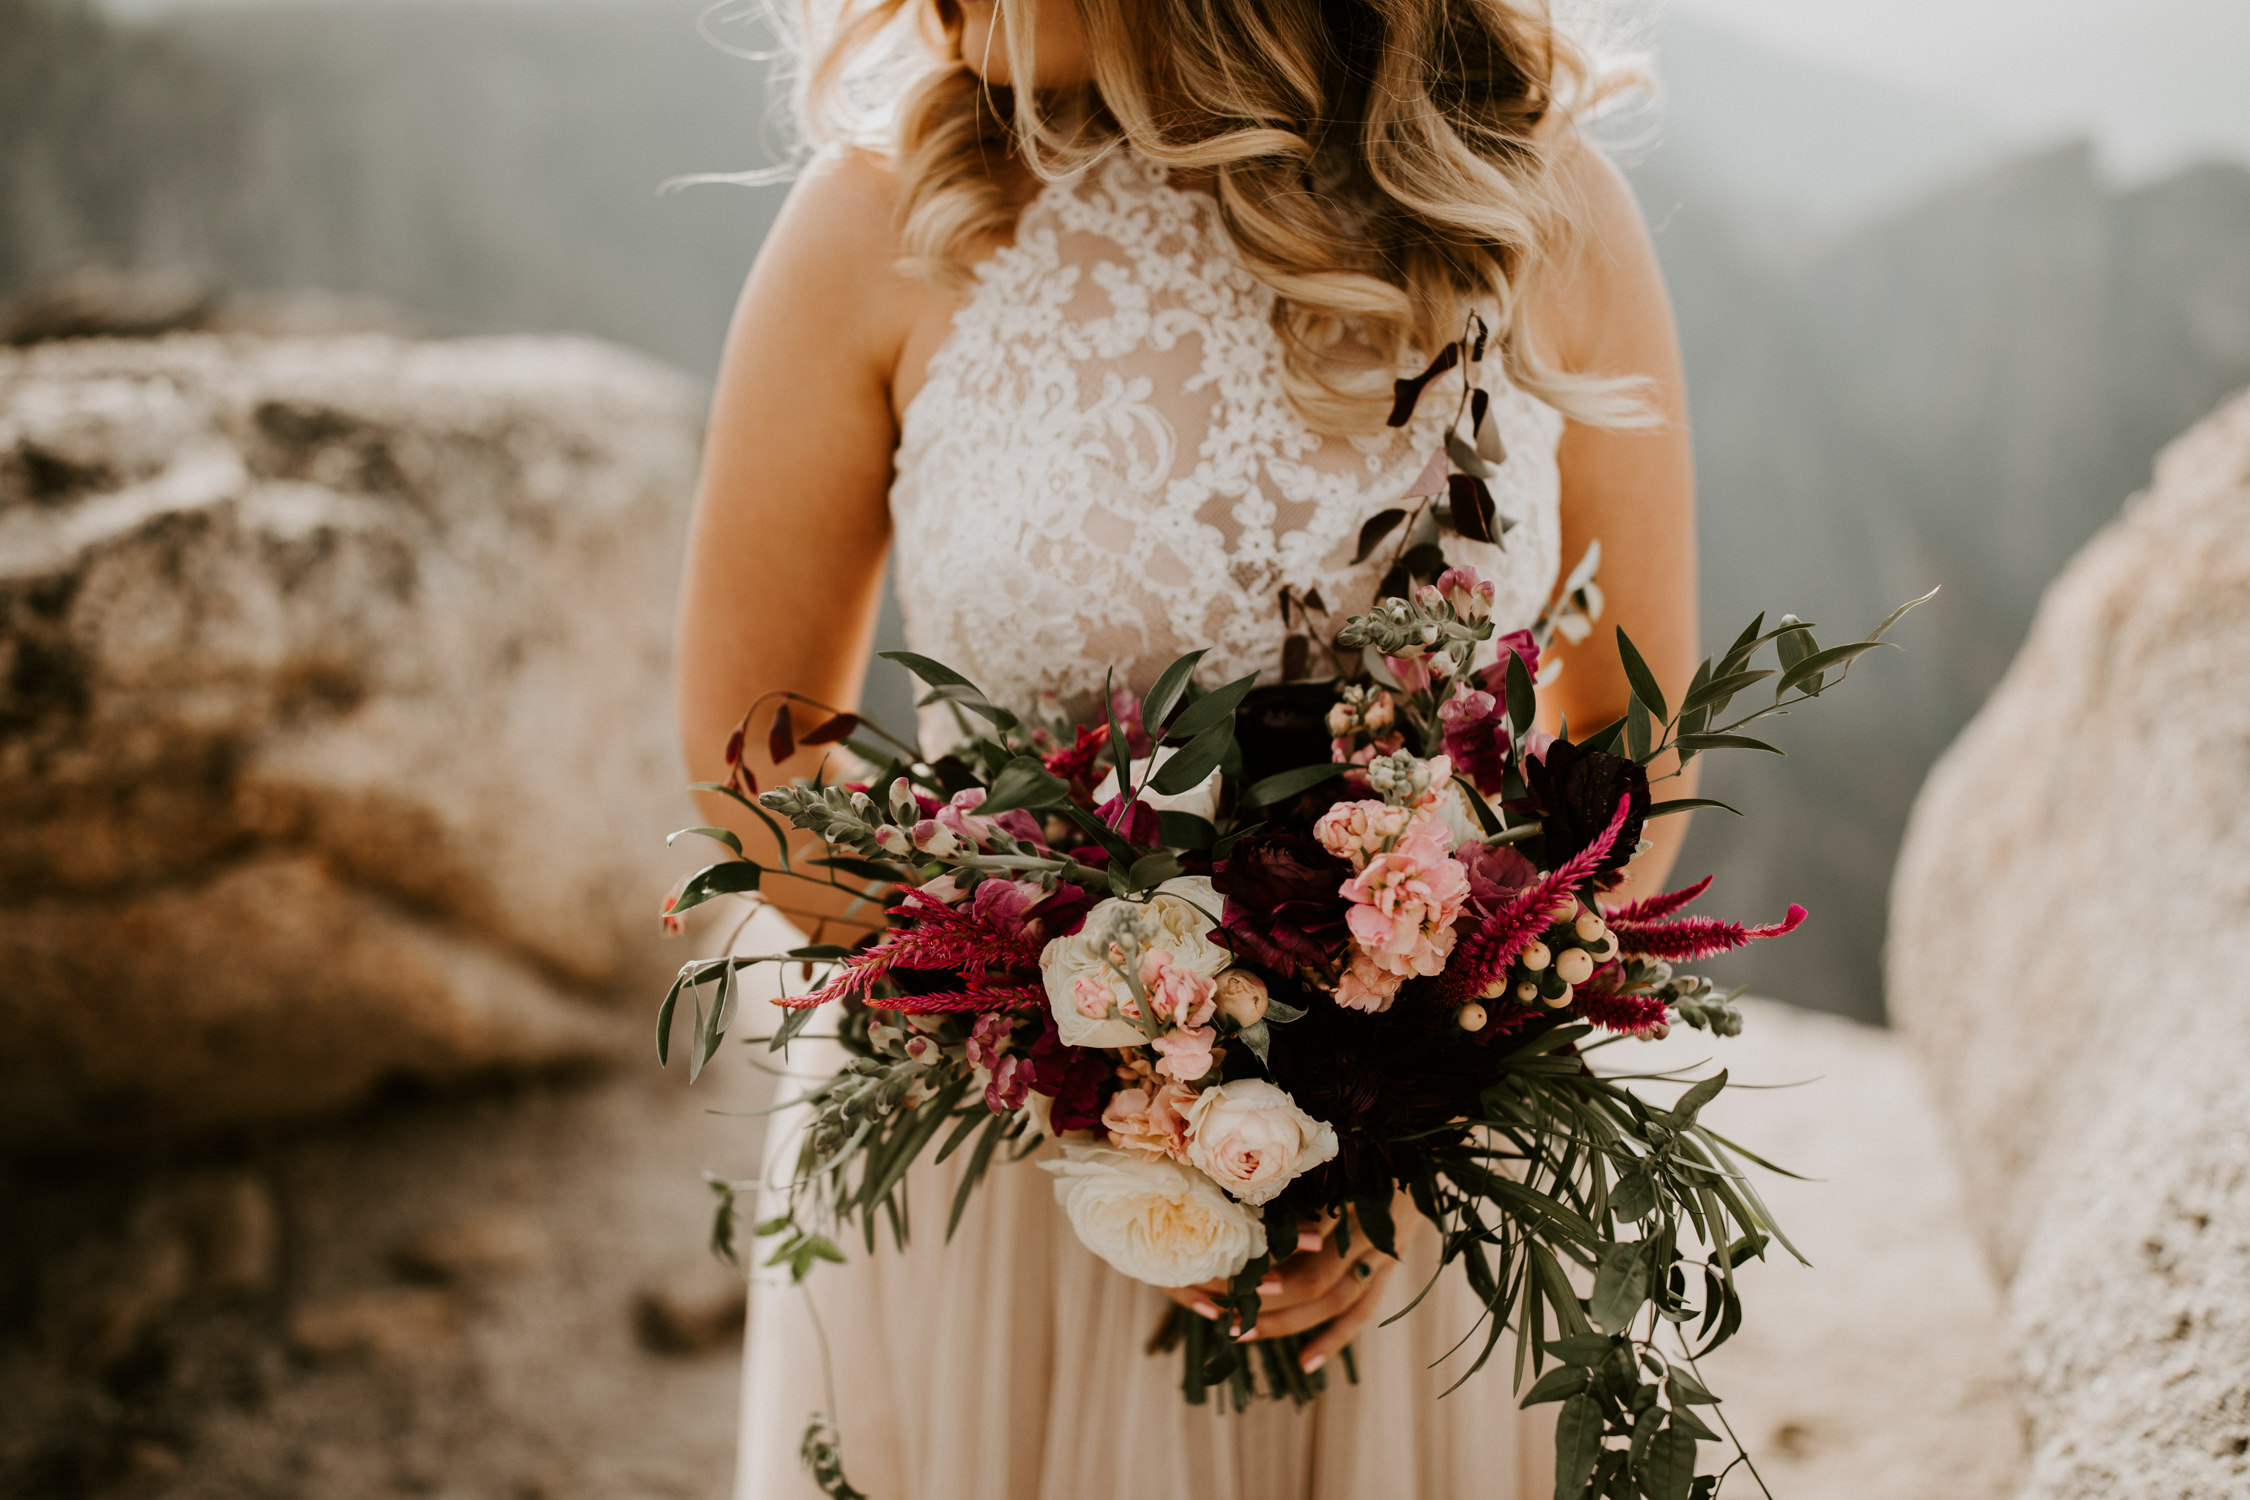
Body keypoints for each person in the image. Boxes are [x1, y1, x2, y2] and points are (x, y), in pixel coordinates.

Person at [674, 2, 1697, 1495]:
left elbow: (1629, 732)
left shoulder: (1531, 204)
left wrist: (1409, 1109)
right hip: (993, 1190)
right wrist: (1106, 1099)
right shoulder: (888, 207)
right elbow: (747, 760)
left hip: (1412, 1227)